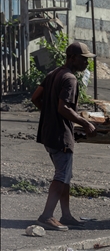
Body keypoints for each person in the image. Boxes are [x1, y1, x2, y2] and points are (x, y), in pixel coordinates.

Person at [31, 42, 97, 231]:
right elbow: (64, 107)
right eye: (83, 59)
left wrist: (48, 114)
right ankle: (46, 216)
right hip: (61, 135)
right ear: (72, 58)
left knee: (66, 174)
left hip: (48, 133)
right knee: (61, 175)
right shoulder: (69, 79)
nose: (86, 63)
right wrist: (86, 124)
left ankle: (66, 215)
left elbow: (35, 97)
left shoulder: (53, 74)